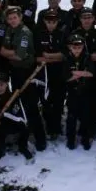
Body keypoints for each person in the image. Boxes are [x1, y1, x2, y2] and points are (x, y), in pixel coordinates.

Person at [0, 6, 46, 151]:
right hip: (15, 72)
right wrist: (10, 53)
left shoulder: (24, 33)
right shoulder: (10, 30)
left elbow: (19, 56)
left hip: (27, 72)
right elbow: (1, 51)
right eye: (10, 18)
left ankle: (40, 138)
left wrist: (8, 53)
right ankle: (24, 135)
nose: (12, 20)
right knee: (19, 104)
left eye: (15, 17)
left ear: (20, 17)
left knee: (31, 106)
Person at [0, 72, 33, 160]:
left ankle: (23, 146)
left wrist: (5, 113)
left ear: (6, 84)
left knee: (26, 127)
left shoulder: (14, 97)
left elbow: (21, 117)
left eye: (2, 84)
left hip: (14, 124)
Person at [34, 9, 66, 140]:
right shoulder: (38, 35)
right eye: (48, 22)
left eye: (53, 22)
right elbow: (37, 57)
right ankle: (49, 125)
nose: (51, 24)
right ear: (44, 21)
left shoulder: (62, 35)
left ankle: (56, 127)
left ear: (57, 22)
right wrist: (54, 57)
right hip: (44, 73)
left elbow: (64, 55)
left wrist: (48, 56)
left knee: (58, 100)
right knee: (45, 100)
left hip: (59, 73)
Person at [62, 34, 96, 150]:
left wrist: (74, 73)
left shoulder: (87, 57)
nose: (77, 50)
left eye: (79, 47)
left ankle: (85, 139)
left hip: (85, 90)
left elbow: (91, 73)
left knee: (86, 115)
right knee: (71, 116)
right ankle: (70, 140)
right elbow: (66, 77)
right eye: (74, 47)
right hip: (72, 91)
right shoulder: (67, 58)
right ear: (70, 47)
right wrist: (82, 73)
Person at [76, 8, 96, 123]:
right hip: (80, 73)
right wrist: (89, 55)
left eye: (89, 17)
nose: (87, 20)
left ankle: (93, 126)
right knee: (80, 101)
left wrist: (83, 55)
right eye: (84, 17)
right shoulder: (75, 34)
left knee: (94, 102)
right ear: (80, 19)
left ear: (93, 18)